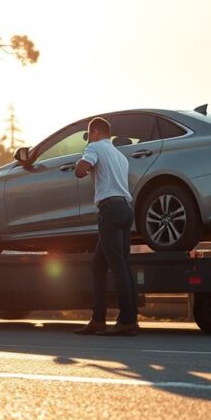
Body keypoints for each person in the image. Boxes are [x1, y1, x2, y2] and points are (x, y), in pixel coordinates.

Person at [73, 116, 139, 336]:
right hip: (125, 210)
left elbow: (81, 170)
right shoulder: (121, 157)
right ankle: (98, 319)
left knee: (118, 266)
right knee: (100, 266)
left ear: (95, 132)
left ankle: (127, 320)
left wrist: (79, 164)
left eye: (89, 135)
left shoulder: (94, 147)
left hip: (109, 211)